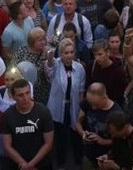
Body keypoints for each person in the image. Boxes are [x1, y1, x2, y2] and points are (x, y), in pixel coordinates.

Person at [46, 37, 85, 169]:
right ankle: (61, 163)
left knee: (75, 135)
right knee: (60, 136)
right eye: (65, 52)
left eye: (71, 52)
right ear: (61, 53)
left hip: (73, 106)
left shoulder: (79, 68)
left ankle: (79, 162)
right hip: (58, 107)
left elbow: (81, 89)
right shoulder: (56, 64)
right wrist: (50, 57)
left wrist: (80, 108)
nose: (69, 55)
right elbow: (49, 69)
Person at [0, 78, 55, 170]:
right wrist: (23, 163)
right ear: (13, 97)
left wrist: (29, 166)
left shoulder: (43, 112)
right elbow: (7, 146)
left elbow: (48, 143)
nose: (25, 98)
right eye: (20, 95)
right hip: (17, 164)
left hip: (42, 164)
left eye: (27, 93)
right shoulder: (8, 115)